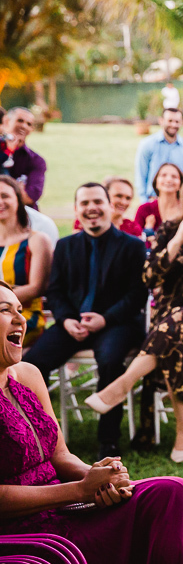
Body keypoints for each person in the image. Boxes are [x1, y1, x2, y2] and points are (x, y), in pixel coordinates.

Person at [0, 280, 183, 563]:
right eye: (6, 310)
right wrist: (78, 491)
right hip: (21, 533)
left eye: (20, 309)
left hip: (65, 509)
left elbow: (60, 454)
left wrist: (99, 479)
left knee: (173, 492)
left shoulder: (28, 374)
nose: (21, 319)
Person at [86, 169, 183, 462]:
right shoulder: (167, 229)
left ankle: (124, 384)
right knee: (182, 326)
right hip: (167, 318)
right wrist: (178, 239)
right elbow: (150, 276)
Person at [25, 184, 147, 459]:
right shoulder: (65, 246)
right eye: (85, 203)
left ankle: (109, 441)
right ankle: (37, 435)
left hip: (118, 323)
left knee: (110, 361)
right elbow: (54, 291)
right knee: (33, 363)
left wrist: (105, 319)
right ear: (77, 210)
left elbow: (137, 295)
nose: (91, 208)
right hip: (72, 324)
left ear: (109, 206)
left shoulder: (133, 246)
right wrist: (67, 320)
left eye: (97, 201)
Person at [0, 177, 51, 347]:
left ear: (18, 198)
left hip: (24, 316)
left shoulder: (36, 240)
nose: (0, 202)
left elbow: (37, 287)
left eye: (5, 196)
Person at [134, 108, 183, 202]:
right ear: (161, 121)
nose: (173, 124)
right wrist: (144, 202)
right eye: (170, 121)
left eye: (177, 121)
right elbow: (141, 175)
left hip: (177, 203)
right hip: (152, 200)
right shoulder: (147, 145)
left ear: (181, 123)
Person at [0, 107, 47, 206]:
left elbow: (29, 198)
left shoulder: (36, 161)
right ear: (7, 122)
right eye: (20, 121)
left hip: (24, 217)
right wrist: (18, 189)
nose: (24, 126)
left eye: (29, 124)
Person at [74, 177, 142, 237]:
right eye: (118, 196)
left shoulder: (133, 227)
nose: (123, 202)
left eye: (128, 198)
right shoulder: (86, 222)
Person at [134, 163, 183, 239]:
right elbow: (134, 240)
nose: (168, 179)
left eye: (174, 177)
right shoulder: (144, 209)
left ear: (180, 184)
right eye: (163, 175)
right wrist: (147, 230)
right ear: (156, 183)